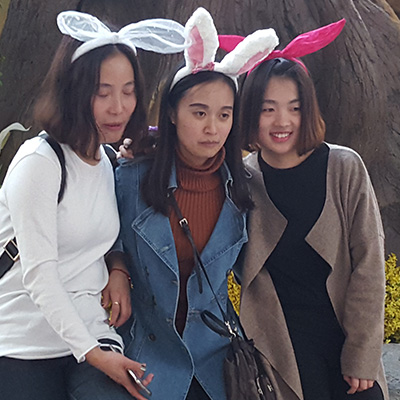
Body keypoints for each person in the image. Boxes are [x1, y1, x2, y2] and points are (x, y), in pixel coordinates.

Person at [93, 7, 279, 400]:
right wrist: (118, 265)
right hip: (143, 351)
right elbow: (101, 236)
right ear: (172, 113)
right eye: (199, 112)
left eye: (224, 115)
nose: (213, 128)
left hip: (215, 359)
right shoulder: (132, 176)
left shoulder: (244, 188)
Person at [0, 10, 186, 400]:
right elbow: (39, 275)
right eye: (102, 93)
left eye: (129, 91)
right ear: (73, 90)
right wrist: (96, 356)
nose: (119, 107)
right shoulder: (40, 162)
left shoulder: (107, 161)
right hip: (25, 342)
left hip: (94, 332)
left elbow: (103, 235)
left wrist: (118, 268)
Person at [221, 20, 389, 400]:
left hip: (347, 346)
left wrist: (362, 354)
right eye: (268, 109)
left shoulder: (344, 167)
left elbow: (369, 265)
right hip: (281, 354)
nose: (282, 121)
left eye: (294, 108)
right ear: (250, 112)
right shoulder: (241, 180)